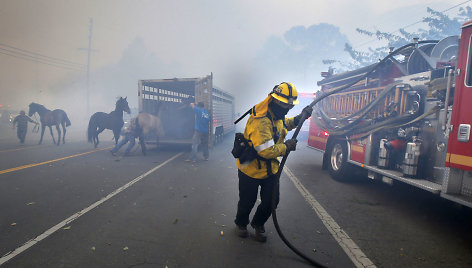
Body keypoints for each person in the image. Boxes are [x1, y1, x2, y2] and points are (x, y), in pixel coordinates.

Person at [234, 82, 313, 242]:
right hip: (250, 168)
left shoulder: (276, 114)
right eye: (286, 105)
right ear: (275, 100)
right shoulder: (261, 120)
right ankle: (241, 224)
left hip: (270, 170)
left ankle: (258, 223)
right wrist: (286, 146)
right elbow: (265, 151)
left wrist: (300, 118)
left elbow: (283, 125)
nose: (288, 109)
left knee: (272, 201)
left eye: (290, 106)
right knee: (247, 201)